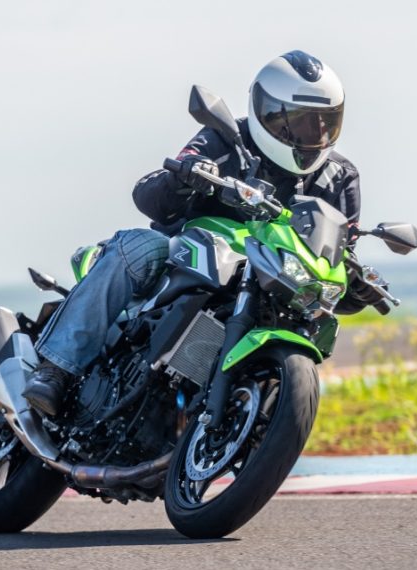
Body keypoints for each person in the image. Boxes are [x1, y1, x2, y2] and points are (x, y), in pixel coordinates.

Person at [23, 50, 376, 416]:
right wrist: (186, 175)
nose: (314, 134)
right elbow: (148, 196)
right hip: (186, 253)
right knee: (140, 246)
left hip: (271, 278)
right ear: (268, 112)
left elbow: (338, 252)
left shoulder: (339, 177)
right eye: (301, 121)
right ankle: (56, 369)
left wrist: (356, 283)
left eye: (324, 122)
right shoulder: (227, 138)